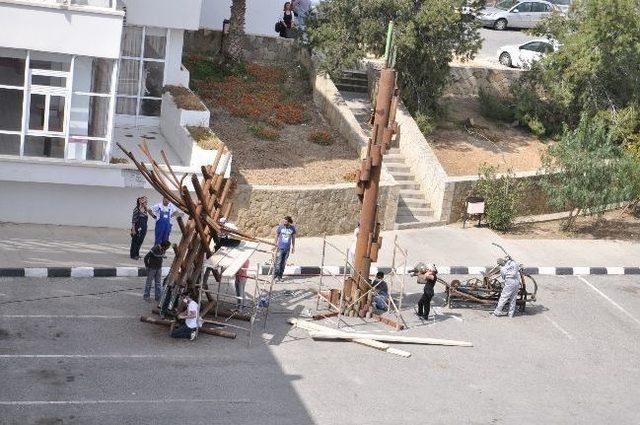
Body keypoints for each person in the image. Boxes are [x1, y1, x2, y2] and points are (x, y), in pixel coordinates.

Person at [273, 216, 296, 281]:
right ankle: (275, 275)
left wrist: (293, 247)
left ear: (289, 222)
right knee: (278, 262)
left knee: (283, 263)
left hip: (287, 248)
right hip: (280, 247)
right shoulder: (280, 227)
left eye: (285, 221)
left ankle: (280, 276)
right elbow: (276, 236)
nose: (284, 222)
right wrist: (274, 245)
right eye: (283, 221)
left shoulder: (292, 228)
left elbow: (293, 238)